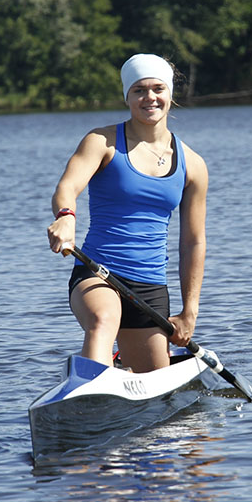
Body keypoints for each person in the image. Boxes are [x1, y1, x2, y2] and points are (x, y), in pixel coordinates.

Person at [46, 53, 208, 374]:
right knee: (103, 319)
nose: (150, 97)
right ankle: (90, 388)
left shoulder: (193, 165)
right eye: (139, 90)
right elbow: (67, 187)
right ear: (127, 97)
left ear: (170, 94)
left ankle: (117, 365)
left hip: (150, 287)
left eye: (158, 89)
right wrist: (65, 216)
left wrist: (189, 312)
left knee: (155, 385)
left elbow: (193, 243)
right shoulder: (102, 142)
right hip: (98, 272)